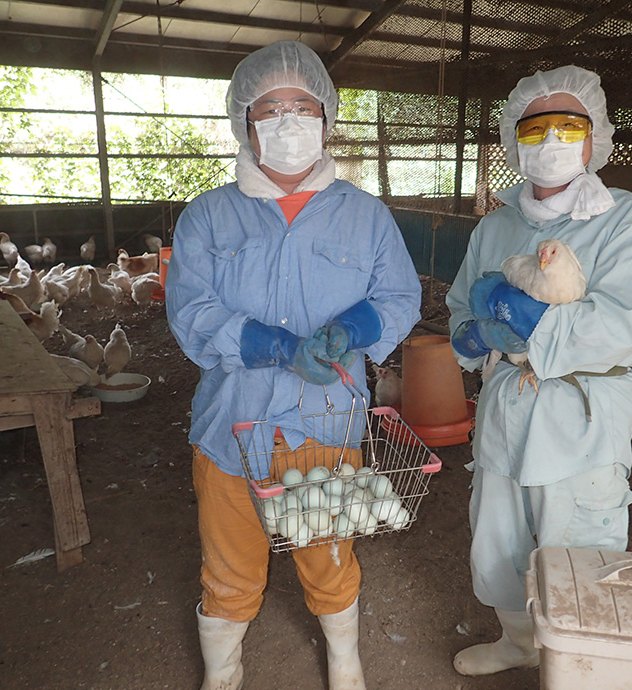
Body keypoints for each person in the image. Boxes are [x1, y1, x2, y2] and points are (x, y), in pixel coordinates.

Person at [166, 40, 421, 690]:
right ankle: (222, 676)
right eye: (270, 108)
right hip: (232, 428)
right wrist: (272, 345)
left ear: (327, 118)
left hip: (327, 426)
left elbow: (398, 296)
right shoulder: (207, 218)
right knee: (229, 566)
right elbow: (191, 311)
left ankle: (345, 663)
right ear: (243, 121)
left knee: (328, 555)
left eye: (302, 106)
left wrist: (353, 330)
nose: (287, 122)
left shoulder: (365, 216)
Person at [446, 65, 632, 676]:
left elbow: (620, 322)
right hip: (502, 407)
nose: (551, 141)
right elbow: (462, 306)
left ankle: (576, 668)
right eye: (535, 127)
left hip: (580, 414)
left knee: (579, 552)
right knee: (499, 544)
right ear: (514, 139)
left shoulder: (626, 220)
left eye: (569, 126)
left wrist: (529, 320)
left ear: (595, 135)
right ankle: (520, 644)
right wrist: (474, 331)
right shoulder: (495, 226)